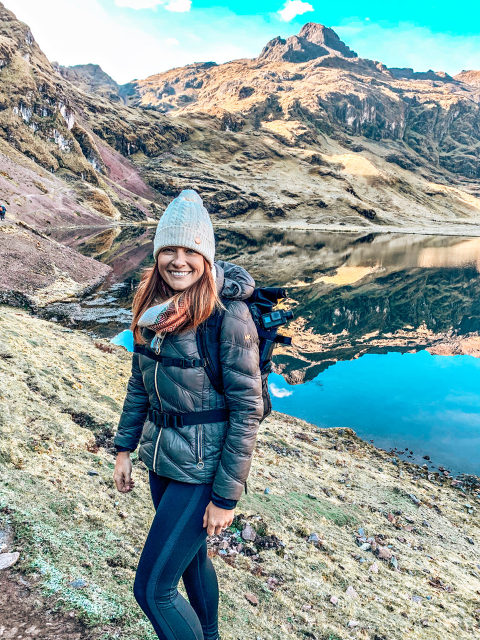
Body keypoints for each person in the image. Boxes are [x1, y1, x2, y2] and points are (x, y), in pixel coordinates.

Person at [112, 189, 264, 640]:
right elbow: (140, 382)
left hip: (202, 472)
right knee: (192, 560)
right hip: (163, 460)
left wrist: (225, 498)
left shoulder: (228, 316)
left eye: (190, 251)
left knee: (152, 589)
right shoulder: (151, 308)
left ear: (205, 254)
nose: (179, 261)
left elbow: (246, 411)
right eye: (168, 251)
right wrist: (124, 447)